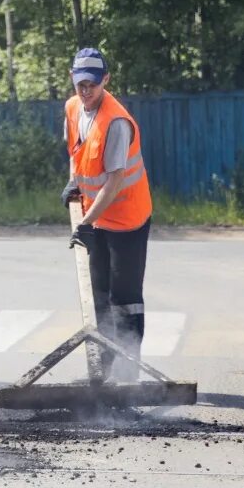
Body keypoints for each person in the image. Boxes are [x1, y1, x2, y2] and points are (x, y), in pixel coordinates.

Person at [60, 47, 153, 382]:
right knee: (98, 295)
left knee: (124, 298)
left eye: (92, 85)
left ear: (106, 81)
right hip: (95, 215)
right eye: (80, 83)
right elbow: (76, 151)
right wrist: (73, 183)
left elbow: (113, 182)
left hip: (127, 218)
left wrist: (84, 222)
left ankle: (129, 376)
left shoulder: (116, 123)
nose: (85, 91)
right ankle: (104, 370)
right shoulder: (73, 107)